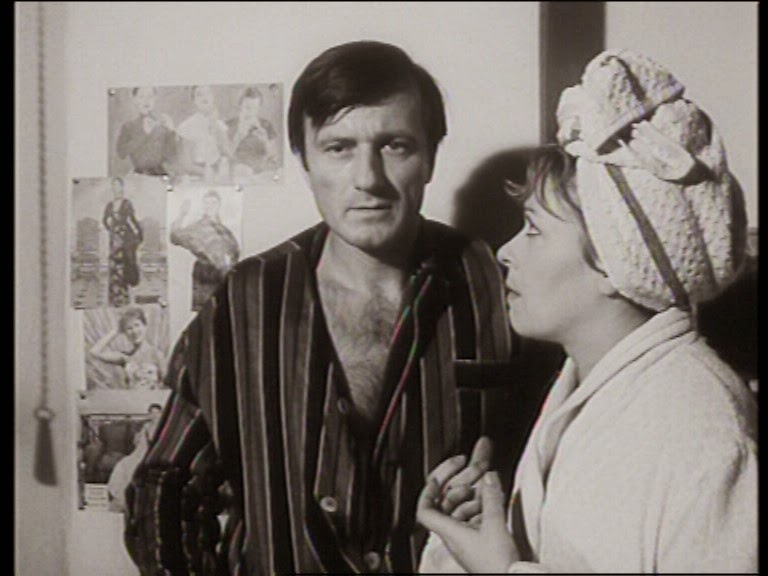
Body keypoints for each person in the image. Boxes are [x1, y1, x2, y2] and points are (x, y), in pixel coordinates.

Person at [124, 41, 537, 575]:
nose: (368, 178)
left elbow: (568, 460)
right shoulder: (245, 300)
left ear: (431, 158)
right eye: (339, 148)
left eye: (395, 146)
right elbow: (164, 488)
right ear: (305, 161)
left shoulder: (499, 284)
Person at [416, 49, 757, 573]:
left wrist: (502, 571)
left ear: (614, 262)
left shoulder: (705, 436)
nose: (505, 252)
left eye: (534, 229)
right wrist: (476, 541)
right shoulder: (587, 387)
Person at [170, 189, 241, 311]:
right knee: (206, 312)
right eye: (207, 203)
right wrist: (182, 214)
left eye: (213, 203)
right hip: (204, 275)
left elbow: (235, 252)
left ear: (219, 205)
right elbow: (175, 236)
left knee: (223, 311)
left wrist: (229, 268)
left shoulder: (224, 230)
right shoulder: (197, 227)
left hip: (222, 275)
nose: (210, 206)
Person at [89, 307, 166, 390]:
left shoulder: (156, 354)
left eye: (137, 325)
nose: (134, 331)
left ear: (145, 326)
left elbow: (167, 385)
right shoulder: (125, 357)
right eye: (129, 328)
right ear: (124, 333)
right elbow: (94, 352)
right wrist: (116, 331)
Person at [107, 404, 164, 513]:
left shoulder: (162, 427)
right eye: (152, 413)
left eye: (157, 413)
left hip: (153, 453)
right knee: (124, 465)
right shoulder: (146, 426)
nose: (154, 415)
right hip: (141, 452)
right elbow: (139, 443)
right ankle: (123, 499)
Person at [115, 86, 179, 177]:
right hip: (137, 175)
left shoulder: (163, 125)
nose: (146, 101)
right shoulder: (128, 126)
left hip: (160, 174)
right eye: (141, 96)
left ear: (155, 99)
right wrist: (144, 134)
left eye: (150, 96)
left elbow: (172, 158)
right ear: (135, 100)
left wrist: (172, 132)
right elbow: (121, 153)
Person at [177, 85, 231, 182]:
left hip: (219, 174)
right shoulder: (187, 126)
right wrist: (206, 172)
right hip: (196, 175)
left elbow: (227, 154)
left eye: (207, 93)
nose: (204, 97)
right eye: (199, 95)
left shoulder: (221, 126)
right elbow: (186, 164)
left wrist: (215, 127)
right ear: (194, 100)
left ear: (213, 97)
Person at [103, 177, 143, 307]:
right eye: (114, 186)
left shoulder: (127, 203)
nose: (116, 189)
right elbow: (104, 220)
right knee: (115, 265)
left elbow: (133, 220)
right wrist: (111, 229)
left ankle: (126, 297)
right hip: (115, 240)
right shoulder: (110, 205)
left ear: (122, 187)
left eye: (118, 186)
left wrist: (139, 234)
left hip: (126, 238)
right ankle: (115, 297)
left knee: (126, 265)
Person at [226, 85, 280, 181]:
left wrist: (265, 141)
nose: (251, 112)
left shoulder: (266, 125)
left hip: (262, 174)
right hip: (238, 174)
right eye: (247, 107)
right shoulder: (229, 125)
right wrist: (238, 137)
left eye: (255, 108)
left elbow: (274, 157)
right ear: (240, 106)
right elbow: (224, 158)